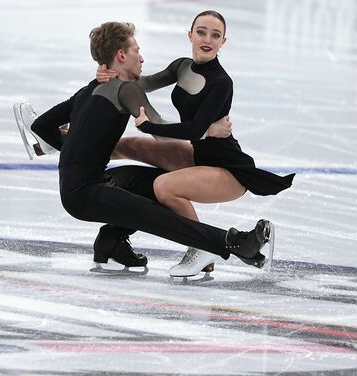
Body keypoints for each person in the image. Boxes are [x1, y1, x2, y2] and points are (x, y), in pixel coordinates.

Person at [20, 21, 273, 276]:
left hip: (92, 183)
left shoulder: (93, 87)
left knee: (158, 183)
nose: (141, 58)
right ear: (121, 55)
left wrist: (71, 148)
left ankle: (111, 244)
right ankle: (238, 243)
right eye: (136, 51)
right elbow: (159, 132)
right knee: (154, 217)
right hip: (87, 195)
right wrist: (208, 131)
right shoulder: (125, 90)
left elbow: (41, 126)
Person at [96, 10, 295, 277]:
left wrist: (149, 126)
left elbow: (195, 129)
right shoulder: (182, 66)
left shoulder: (222, 82)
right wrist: (110, 72)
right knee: (129, 145)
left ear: (223, 42)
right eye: (201, 32)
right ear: (190, 35)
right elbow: (142, 84)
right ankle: (58, 143)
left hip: (229, 170)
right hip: (199, 154)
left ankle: (199, 249)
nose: (207, 39)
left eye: (216, 35)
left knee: (163, 186)